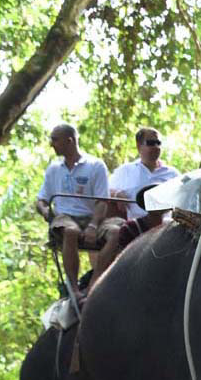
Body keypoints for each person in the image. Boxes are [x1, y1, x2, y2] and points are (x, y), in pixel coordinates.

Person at [93, 127, 179, 277]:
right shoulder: (126, 171)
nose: (156, 147)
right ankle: (99, 279)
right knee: (118, 235)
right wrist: (117, 193)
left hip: (165, 223)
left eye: (158, 143)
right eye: (151, 143)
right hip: (137, 224)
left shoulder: (172, 173)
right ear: (139, 146)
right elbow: (104, 191)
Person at [36, 123, 109, 295]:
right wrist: (45, 211)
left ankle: (95, 282)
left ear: (69, 141)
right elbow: (41, 200)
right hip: (65, 217)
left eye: (55, 140)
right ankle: (73, 288)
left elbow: (102, 201)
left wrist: (93, 226)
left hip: (91, 217)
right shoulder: (54, 168)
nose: (51, 144)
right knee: (70, 231)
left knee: (115, 232)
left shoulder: (95, 165)